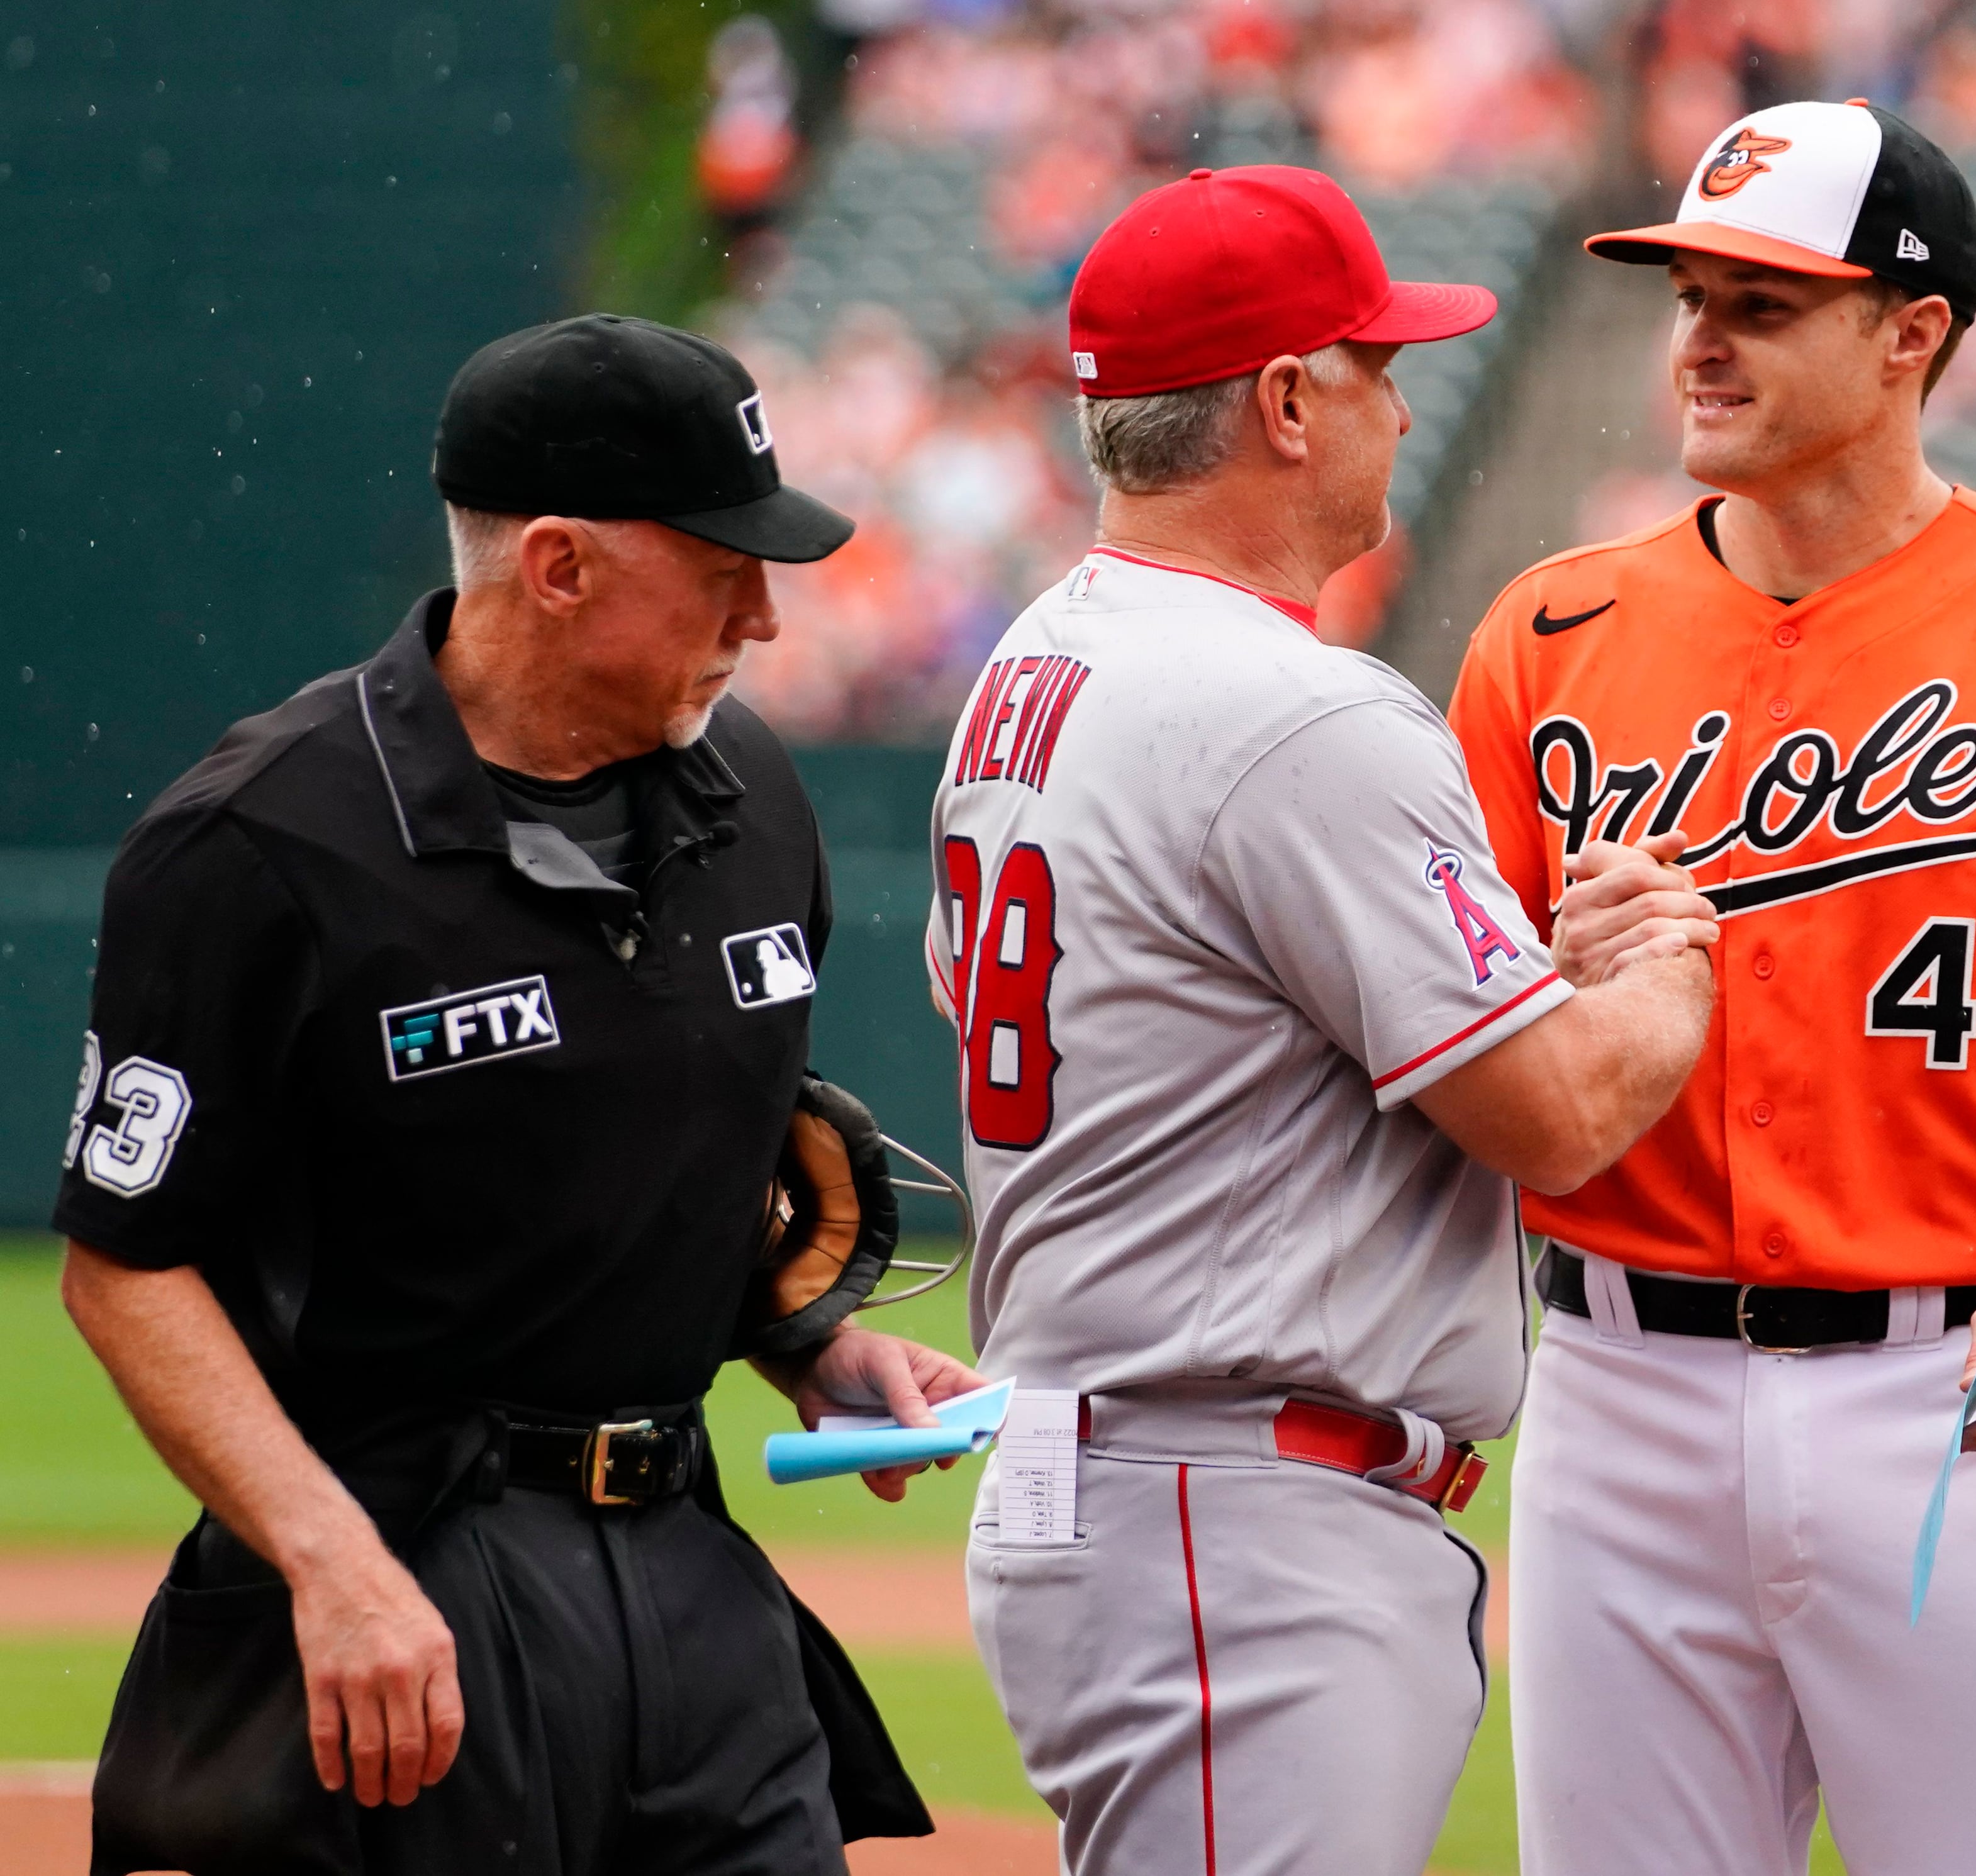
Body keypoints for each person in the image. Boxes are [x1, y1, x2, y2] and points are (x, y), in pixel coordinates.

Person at [1448, 100, 1976, 1876]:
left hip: (1952, 1388)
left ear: (1913, 333)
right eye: (1691, 292)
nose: (1701, 337)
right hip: (1615, 1379)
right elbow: (1459, 1042)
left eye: (1764, 297)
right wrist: (1553, 988)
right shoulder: (1549, 632)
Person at [57, 315, 985, 1876]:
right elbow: (123, 1265)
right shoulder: (260, 840)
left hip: (688, 1573)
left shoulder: (750, 792)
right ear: (555, 564)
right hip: (404, 1565)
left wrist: (811, 1346)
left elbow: (668, 1154)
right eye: (721, 563)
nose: (765, 612)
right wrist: (328, 1561)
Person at [938, 165, 1718, 1876]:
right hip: (1236, 1506)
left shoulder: (1035, 660)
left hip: (1143, 1475)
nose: (1406, 397)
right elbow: (1563, 1111)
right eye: (1374, 359)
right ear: (1286, 402)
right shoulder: (1289, 707)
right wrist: (1667, 960)